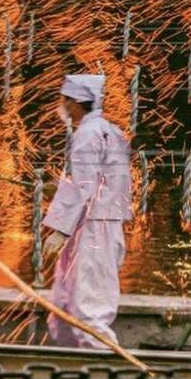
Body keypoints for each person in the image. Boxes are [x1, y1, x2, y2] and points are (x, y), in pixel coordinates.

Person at [41, 74, 133, 349]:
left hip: (93, 228)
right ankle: (72, 360)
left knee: (88, 307)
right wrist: (59, 189)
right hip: (99, 223)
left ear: (77, 102)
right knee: (66, 301)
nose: (63, 106)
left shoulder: (86, 135)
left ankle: (104, 362)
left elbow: (85, 188)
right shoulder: (111, 131)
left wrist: (59, 231)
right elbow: (101, 182)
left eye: (65, 100)